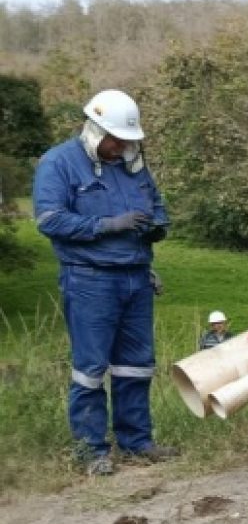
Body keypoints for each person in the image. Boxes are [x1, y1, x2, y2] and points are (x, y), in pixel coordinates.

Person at [33, 89, 177, 476]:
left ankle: (136, 441)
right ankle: (91, 449)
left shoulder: (133, 164)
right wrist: (107, 225)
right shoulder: (59, 163)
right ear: (95, 131)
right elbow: (50, 221)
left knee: (136, 365)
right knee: (91, 368)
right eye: (117, 140)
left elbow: (157, 206)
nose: (122, 147)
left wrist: (156, 229)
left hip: (135, 277)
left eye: (128, 140)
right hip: (90, 280)